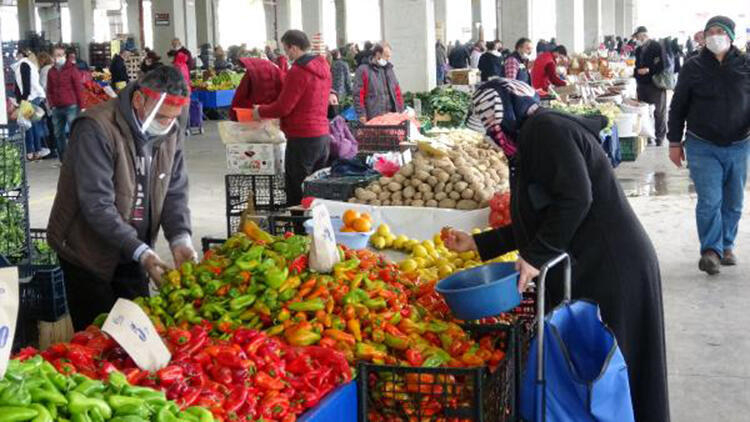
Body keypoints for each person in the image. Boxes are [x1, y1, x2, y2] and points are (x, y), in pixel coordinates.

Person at [453, 77, 670, 422]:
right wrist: (481, 244)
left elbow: (575, 199)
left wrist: (537, 256)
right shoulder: (536, 133)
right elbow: (544, 215)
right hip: (600, 261)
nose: (492, 131)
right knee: (613, 371)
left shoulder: (545, 131)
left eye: (492, 119)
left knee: (619, 369)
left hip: (611, 266)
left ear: (509, 109)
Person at [47, 66, 194, 331]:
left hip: (134, 251)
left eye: (172, 118)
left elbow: (174, 189)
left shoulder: (170, 131)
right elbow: (96, 204)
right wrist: (141, 251)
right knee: (97, 339)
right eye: (161, 116)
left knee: (137, 333)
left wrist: (180, 237)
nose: (167, 124)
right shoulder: (96, 127)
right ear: (139, 100)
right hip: (87, 251)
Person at [667, 16, 750, 275]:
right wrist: (673, 141)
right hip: (702, 144)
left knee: (734, 201)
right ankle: (711, 250)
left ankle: (727, 245)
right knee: (710, 199)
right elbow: (678, 105)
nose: (714, 36)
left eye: (720, 31)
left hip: (739, 143)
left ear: (731, 36)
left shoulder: (746, 65)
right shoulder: (693, 67)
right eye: (710, 32)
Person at [253, 30, 332, 206]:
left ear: (294, 48)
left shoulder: (298, 71)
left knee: (297, 191)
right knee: (317, 190)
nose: (286, 54)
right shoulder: (324, 68)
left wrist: (260, 111)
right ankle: (316, 229)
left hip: (303, 138)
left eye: (286, 49)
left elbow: (284, 106)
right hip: (323, 137)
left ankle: (300, 232)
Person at [46, 46, 84, 162]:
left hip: (71, 105)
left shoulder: (72, 70)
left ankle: (76, 157)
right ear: (53, 57)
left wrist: (82, 106)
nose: (59, 57)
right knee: (58, 134)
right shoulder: (51, 72)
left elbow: (79, 88)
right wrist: (51, 104)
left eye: (61, 55)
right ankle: (64, 159)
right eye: (57, 55)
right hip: (57, 107)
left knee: (74, 132)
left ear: (65, 56)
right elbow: (49, 90)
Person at [12, 49, 49, 161]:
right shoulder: (29, 64)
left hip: (29, 98)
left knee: (28, 126)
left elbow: (25, 83)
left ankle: (30, 152)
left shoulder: (23, 65)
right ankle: (36, 151)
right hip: (33, 97)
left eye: (16, 54)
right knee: (33, 125)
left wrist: (23, 100)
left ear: (20, 55)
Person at [633, 26, 667, 146]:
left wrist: (649, 70)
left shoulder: (657, 46)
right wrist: (636, 73)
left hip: (655, 84)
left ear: (643, 35)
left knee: (659, 112)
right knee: (643, 111)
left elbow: (663, 64)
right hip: (642, 84)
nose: (637, 39)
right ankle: (647, 136)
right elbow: (637, 65)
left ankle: (660, 137)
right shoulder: (638, 50)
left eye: (637, 37)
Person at [353, 44, 404, 123]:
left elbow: (397, 91)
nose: (388, 59)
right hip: (373, 117)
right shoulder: (363, 70)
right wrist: (361, 114)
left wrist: (400, 110)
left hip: (391, 117)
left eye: (389, 56)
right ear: (378, 54)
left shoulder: (389, 70)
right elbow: (358, 94)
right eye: (386, 56)